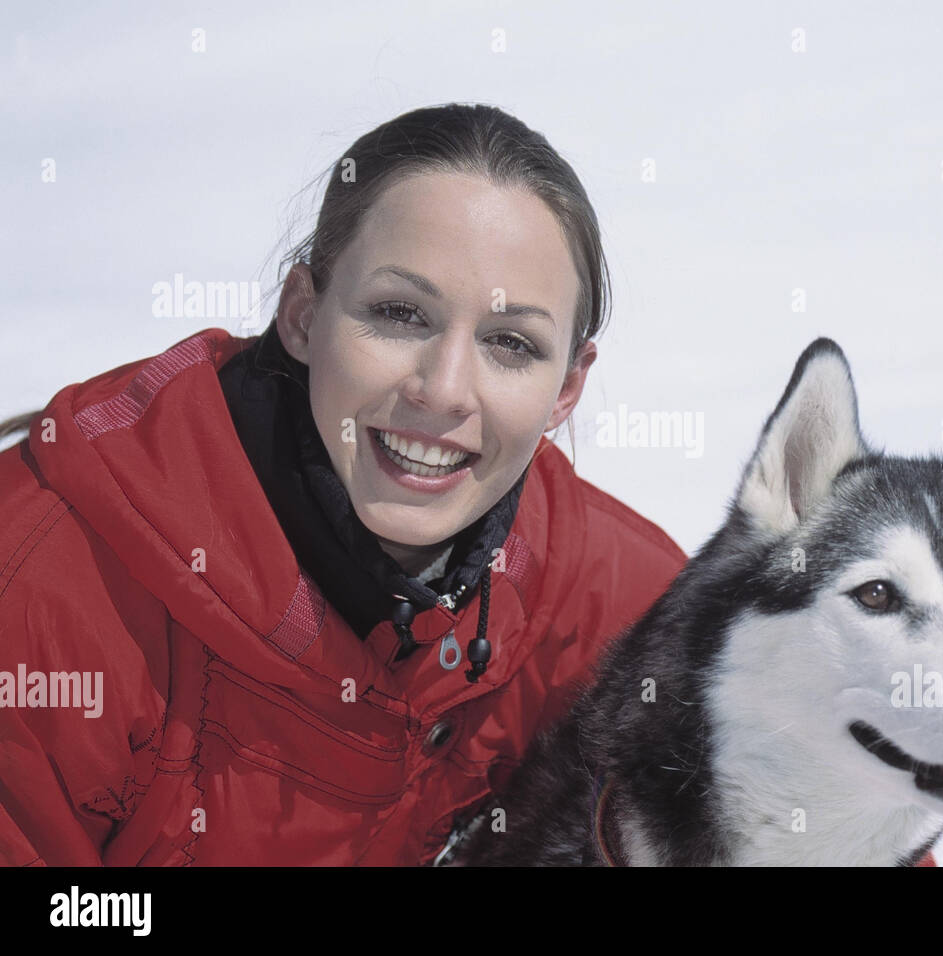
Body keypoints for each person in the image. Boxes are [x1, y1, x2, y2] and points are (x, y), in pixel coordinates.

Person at [0, 104, 688, 865]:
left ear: (566, 390)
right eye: (399, 314)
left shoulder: (614, 600)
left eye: (510, 343)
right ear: (301, 315)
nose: (444, 389)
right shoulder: (44, 603)